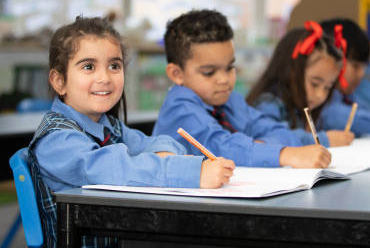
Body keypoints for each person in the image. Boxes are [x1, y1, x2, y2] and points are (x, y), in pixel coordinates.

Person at [29, 16, 235, 247]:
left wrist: (164, 155)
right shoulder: (57, 141)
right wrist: (192, 173)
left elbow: (158, 141)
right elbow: (116, 168)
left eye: (114, 66)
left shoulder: (108, 126)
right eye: (88, 66)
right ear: (59, 81)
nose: (104, 77)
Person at [153, 10, 331, 169]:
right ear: (177, 74)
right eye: (209, 72)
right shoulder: (181, 108)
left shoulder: (232, 101)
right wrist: (283, 154)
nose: (224, 79)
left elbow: (278, 131)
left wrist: (257, 147)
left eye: (230, 68)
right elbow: (220, 148)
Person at [247, 21, 354, 147]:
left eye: (328, 87)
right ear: (291, 72)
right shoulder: (271, 104)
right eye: (314, 83)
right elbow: (269, 139)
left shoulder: (303, 108)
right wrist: (322, 139)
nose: (321, 95)